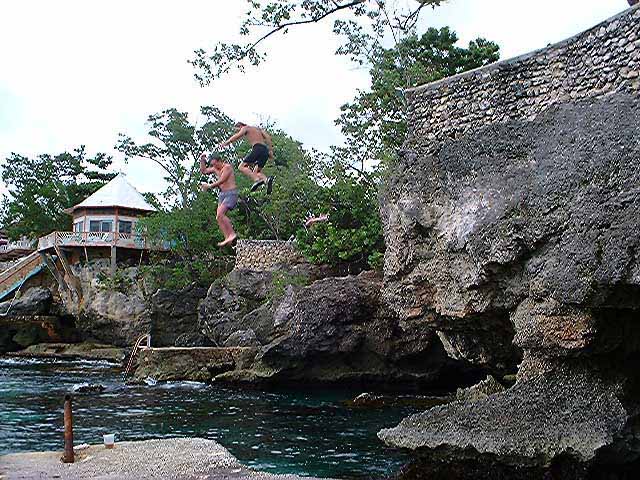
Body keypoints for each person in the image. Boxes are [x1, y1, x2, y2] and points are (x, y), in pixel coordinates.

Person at [218, 122, 275, 193]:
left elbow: (237, 136)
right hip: (265, 150)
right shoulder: (258, 129)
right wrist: (270, 151)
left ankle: (257, 180)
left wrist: (226, 143)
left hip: (257, 148)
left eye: (238, 130)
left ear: (240, 126)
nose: (239, 131)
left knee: (241, 167)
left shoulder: (245, 128)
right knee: (256, 171)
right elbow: (268, 137)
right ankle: (267, 180)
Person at [200, 152, 238, 247]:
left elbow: (222, 180)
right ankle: (227, 237)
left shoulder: (227, 167)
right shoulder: (215, 168)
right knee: (218, 217)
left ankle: (232, 234)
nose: (214, 166)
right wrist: (202, 160)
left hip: (231, 193)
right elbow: (204, 171)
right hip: (222, 195)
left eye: (215, 164)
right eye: (212, 165)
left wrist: (209, 186)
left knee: (221, 213)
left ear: (219, 161)